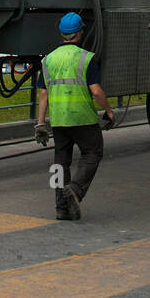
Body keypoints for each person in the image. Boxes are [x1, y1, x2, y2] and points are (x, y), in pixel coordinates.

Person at [34, 12, 115, 220]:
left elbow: (43, 93)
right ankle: (76, 190)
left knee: (60, 163)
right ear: (79, 33)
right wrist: (108, 111)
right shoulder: (86, 58)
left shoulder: (48, 60)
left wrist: (40, 123)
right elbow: (96, 91)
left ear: (61, 33)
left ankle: (61, 209)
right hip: (83, 118)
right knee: (93, 153)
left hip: (59, 120)